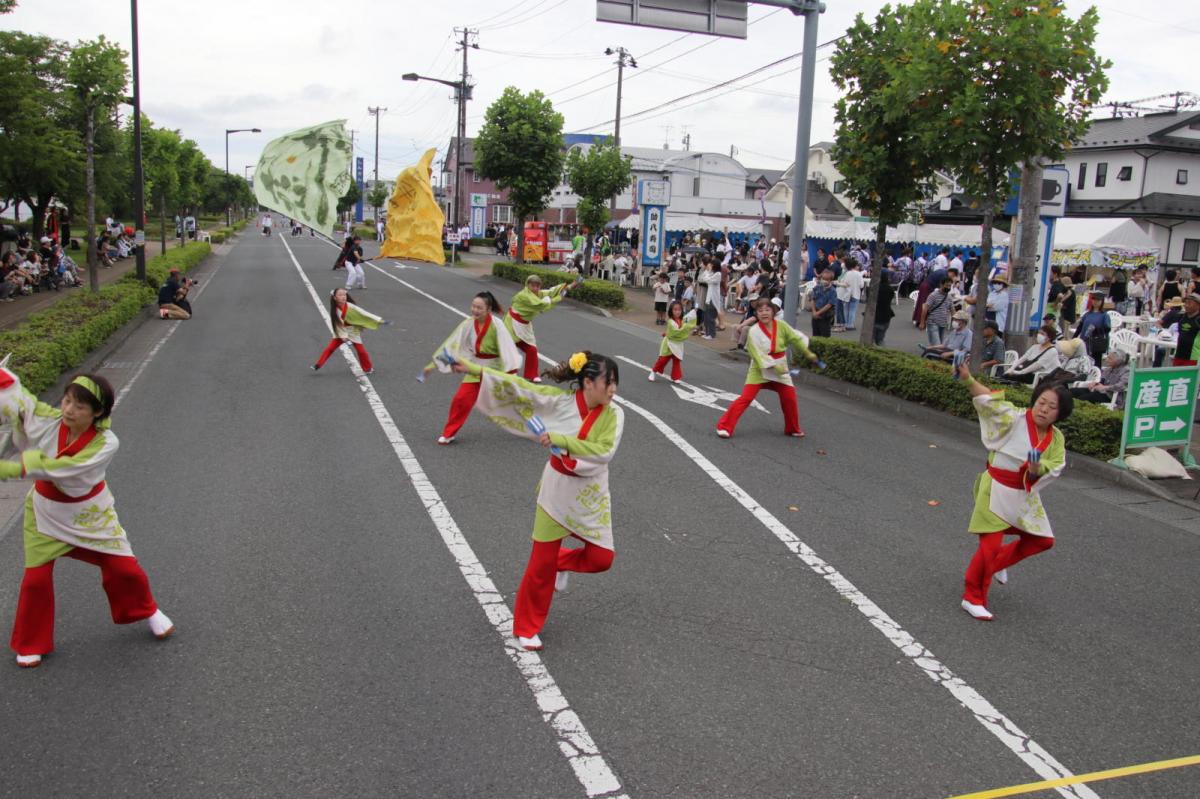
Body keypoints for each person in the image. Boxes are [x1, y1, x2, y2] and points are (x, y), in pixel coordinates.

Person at [1, 370, 175, 668]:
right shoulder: (51, 419)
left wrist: (13, 469)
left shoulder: (107, 442)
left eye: (79, 406)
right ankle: (31, 642)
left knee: (125, 569)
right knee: (36, 580)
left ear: (97, 412)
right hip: (44, 513)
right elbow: (22, 402)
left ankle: (147, 610)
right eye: (66, 401)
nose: (68, 409)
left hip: (90, 515)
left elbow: (64, 468)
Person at [451, 351, 623, 652]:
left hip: (591, 493)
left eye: (614, 383)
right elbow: (521, 389)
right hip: (556, 492)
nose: (612, 389)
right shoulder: (559, 404)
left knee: (601, 559)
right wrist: (474, 370)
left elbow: (603, 452)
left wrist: (560, 439)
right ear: (586, 382)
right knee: (538, 566)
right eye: (607, 382)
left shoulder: (616, 414)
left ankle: (559, 563)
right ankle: (526, 628)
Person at [956, 364, 1070, 621]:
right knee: (989, 547)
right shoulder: (1015, 417)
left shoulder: (1057, 438)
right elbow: (989, 400)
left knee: (1042, 540)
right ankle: (972, 597)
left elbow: (1057, 465)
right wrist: (968, 378)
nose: (1044, 409)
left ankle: (996, 565)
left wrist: (1037, 467)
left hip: (1023, 493)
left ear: (1060, 413)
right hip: (995, 487)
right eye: (1042, 402)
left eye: (1052, 407)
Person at [422, 291, 522, 444]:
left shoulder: (497, 325)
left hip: (497, 370)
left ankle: (539, 428)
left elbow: (508, 350)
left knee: (515, 400)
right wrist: (432, 365)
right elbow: (451, 345)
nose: (475, 310)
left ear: (488, 309)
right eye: (473, 306)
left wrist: (511, 374)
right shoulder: (468, 324)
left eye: (479, 308)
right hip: (475, 367)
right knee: (461, 399)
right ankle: (449, 433)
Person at [717, 298, 822, 439]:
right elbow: (758, 356)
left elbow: (796, 338)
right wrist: (775, 367)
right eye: (760, 311)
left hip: (780, 366)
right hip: (760, 369)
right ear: (756, 314)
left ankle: (792, 428)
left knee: (789, 397)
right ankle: (724, 426)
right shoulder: (753, 331)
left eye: (767, 310)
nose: (764, 313)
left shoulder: (782, 325)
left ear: (773, 311)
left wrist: (808, 353)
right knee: (746, 398)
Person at [505, 274, 577, 381]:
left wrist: (569, 286)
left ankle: (531, 375)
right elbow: (542, 304)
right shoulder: (524, 296)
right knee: (509, 348)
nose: (535, 288)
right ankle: (508, 372)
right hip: (512, 324)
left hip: (524, 326)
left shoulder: (537, 294)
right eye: (532, 286)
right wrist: (559, 297)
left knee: (532, 349)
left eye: (537, 286)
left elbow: (550, 292)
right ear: (527, 285)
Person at [311, 288, 388, 374]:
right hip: (340, 332)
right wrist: (343, 337)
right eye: (340, 295)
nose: (343, 297)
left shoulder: (350, 306)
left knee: (361, 351)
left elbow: (364, 313)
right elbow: (338, 325)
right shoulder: (335, 310)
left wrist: (379, 320)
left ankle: (368, 368)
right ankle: (318, 365)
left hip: (353, 332)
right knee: (329, 349)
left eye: (344, 294)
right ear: (335, 298)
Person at [649, 301, 698, 383]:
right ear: (671, 311)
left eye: (679, 309)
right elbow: (676, 331)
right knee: (662, 360)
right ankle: (653, 372)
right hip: (669, 344)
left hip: (678, 344)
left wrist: (693, 313)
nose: (677, 312)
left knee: (676, 360)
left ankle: (675, 377)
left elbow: (688, 318)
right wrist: (687, 326)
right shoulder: (670, 322)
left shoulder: (681, 320)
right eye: (675, 310)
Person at [1074, 291, 1111, 367]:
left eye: (1098, 300)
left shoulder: (1104, 315)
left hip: (1096, 343)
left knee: (1095, 363)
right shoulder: (1087, 314)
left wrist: (1096, 330)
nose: (1095, 302)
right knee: (1084, 362)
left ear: (1101, 302)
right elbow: (1080, 327)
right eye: (1094, 300)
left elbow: (1107, 328)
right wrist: (1074, 337)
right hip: (1085, 342)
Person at [919, 273, 954, 346]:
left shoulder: (949, 297)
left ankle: (931, 355)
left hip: (943, 323)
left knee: (939, 344)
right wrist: (922, 322)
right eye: (947, 285)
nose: (948, 287)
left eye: (950, 286)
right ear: (941, 285)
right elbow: (925, 309)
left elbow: (952, 310)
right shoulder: (933, 295)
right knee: (937, 344)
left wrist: (957, 322)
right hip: (932, 322)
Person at [1172, 292, 1200, 366]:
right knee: (1175, 377)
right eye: (1185, 303)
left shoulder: (1198, 319)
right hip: (1178, 354)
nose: (1186, 305)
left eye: (1189, 303)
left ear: (1198, 305)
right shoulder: (1182, 317)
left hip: (1193, 357)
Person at [871, 263, 896, 345]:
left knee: (870, 340)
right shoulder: (890, 289)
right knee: (881, 339)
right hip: (886, 316)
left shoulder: (873, 289)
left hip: (874, 315)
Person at [810, 269, 837, 338]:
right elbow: (813, 299)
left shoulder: (833, 291)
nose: (824, 281)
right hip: (815, 312)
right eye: (823, 279)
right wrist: (814, 312)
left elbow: (829, 304)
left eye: (827, 279)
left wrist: (817, 313)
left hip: (825, 315)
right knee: (815, 334)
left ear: (830, 280)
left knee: (825, 335)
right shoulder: (817, 287)